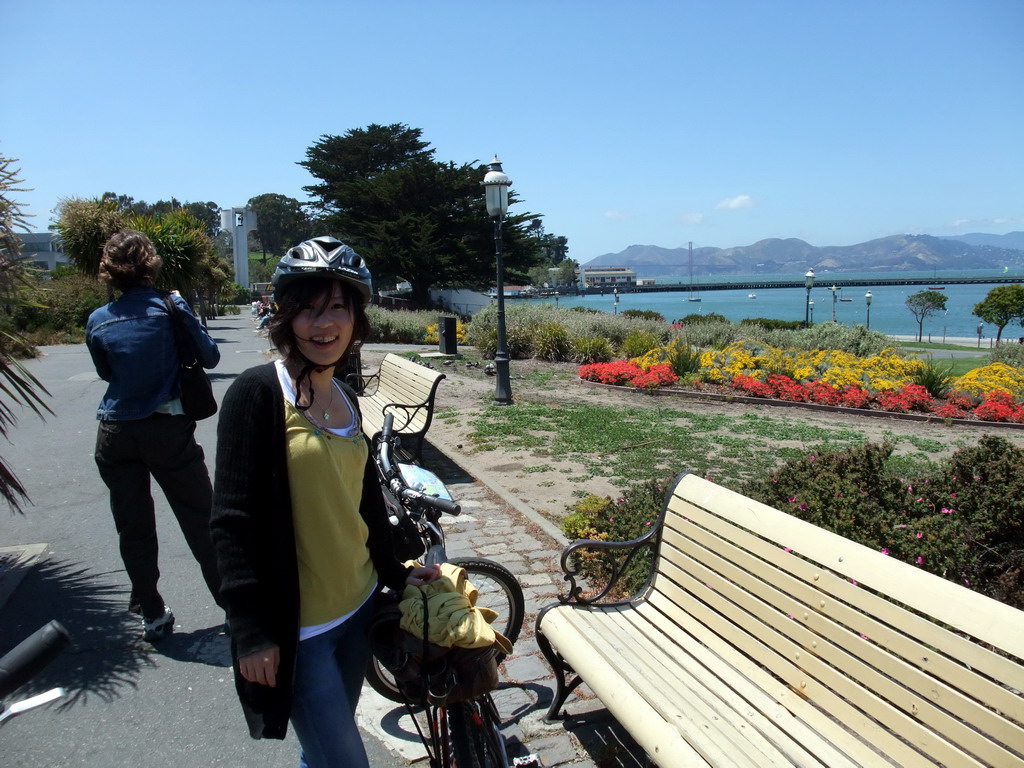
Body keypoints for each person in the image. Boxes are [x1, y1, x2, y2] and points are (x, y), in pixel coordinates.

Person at [210, 236, 440, 768]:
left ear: (356, 318)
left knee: (322, 756)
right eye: (309, 309)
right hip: (303, 628)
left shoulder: (345, 396)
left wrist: (395, 572)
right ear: (286, 316)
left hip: (357, 609)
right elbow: (231, 522)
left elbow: (360, 501)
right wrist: (250, 632)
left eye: (338, 307)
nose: (323, 324)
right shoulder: (258, 395)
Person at [85, 229, 223, 642]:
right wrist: (180, 307)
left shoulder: (97, 319)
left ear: (109, 271)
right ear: (151, 265)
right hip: (166, 429)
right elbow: (210, 355)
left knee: (134, 527)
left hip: (114, 433)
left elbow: (106, 373)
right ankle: (233, 606)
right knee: (201, 520)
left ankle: (152, 613)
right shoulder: (168, 307)